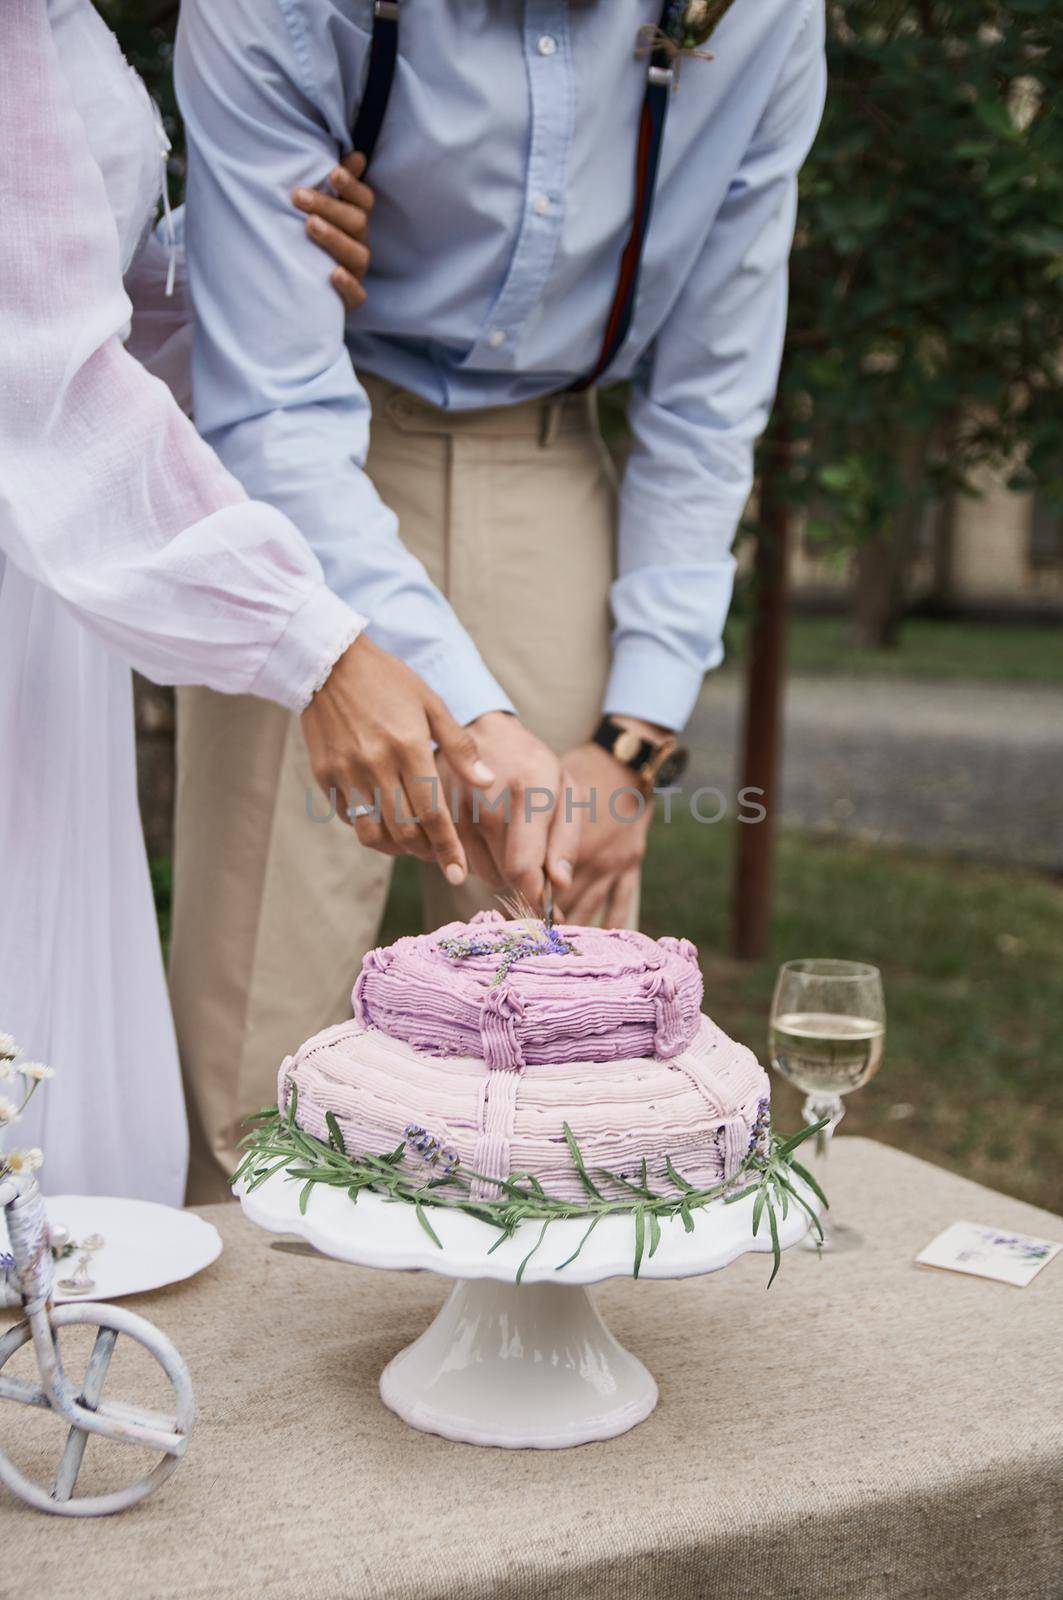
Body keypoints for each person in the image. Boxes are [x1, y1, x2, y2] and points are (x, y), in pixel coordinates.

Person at [173, 0, 827, 1201]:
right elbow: (268, 404)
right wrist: (476, 722)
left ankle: (527, 1342)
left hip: (556, 458)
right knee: (258, 1021)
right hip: (314, 450)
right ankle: (258, 1344)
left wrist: (635, 735)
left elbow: (707, 397)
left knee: (567, 1020)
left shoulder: (768, 14)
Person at [0, 0, 493, 1202]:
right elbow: (41, 390)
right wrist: (316, 648)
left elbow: (79, 319)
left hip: (48, 603)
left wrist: (258, 273)